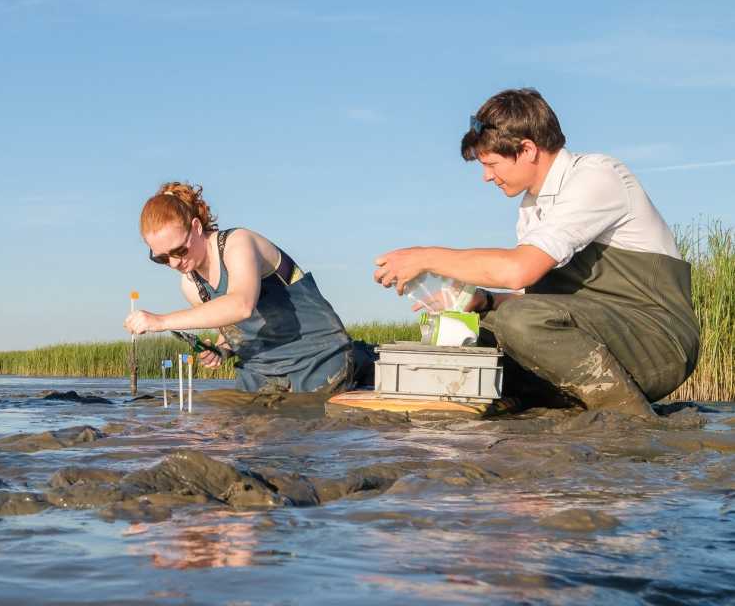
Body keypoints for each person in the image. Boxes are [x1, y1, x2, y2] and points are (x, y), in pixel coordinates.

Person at [373, 88, 699, 417]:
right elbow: (528, 297)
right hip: (596, 333)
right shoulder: (532, 208)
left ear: (527, 149)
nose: (487, 177)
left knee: (518, 320)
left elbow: (519, 271)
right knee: (479, 329)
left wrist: (424, 257)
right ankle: (532, 403)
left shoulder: (596, 177)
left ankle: (626, 416)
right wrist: (483, 301)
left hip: (657, 341)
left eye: (491, 164)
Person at [124, 182, 373, 394]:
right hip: (260, 372)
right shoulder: (191, 285)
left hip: (318, 360)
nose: (175, 263)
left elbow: (241, 305)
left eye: (179, 250)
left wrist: (162, 321)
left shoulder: (238, 243)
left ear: (197, 227)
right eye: (162, 258)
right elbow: (232, 328)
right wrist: (221, 349)